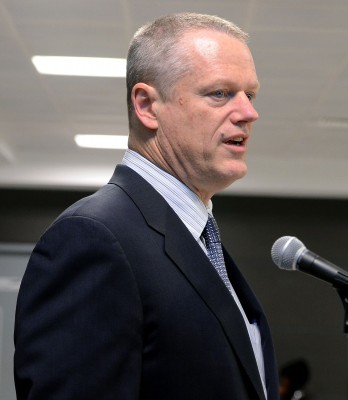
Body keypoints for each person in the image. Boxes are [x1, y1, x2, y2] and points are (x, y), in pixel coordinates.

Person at [14, 12, 279, 400]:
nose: (248, 113)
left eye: (250, 95)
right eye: (220, 93)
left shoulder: (199, 239)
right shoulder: (93, 238)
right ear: (147, 106)